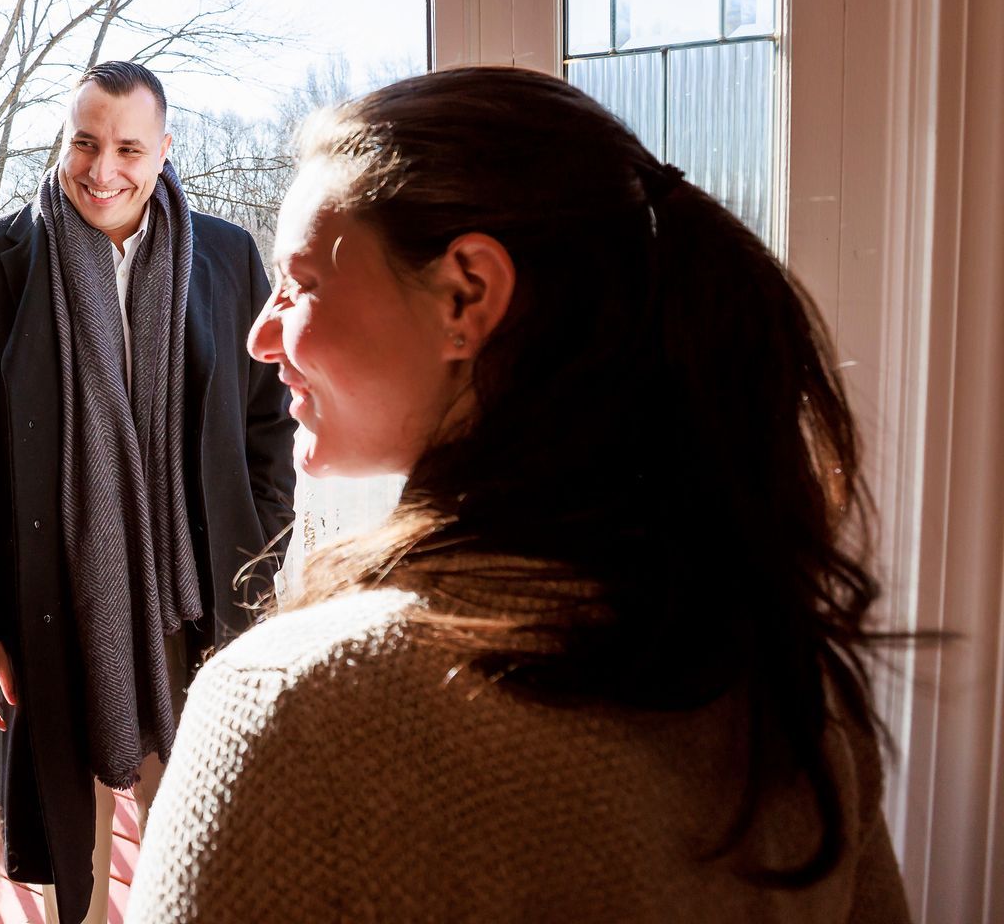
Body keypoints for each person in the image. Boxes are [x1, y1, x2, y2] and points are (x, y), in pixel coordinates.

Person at [127, 66, 911, 922]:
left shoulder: (291, 712)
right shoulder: (792, 690)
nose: (260, 333)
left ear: (467, 293)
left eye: (300, 283)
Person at [0, 61, 297, 924]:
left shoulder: (230, 254)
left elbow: (267, 422)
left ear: (163, 152)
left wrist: (259, 548)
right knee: (69, 846)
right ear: (63, 139)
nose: (102, 169)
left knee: (200, 815)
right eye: (84, 142)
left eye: (128, 147)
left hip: (194, 589)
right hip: (43, 592)